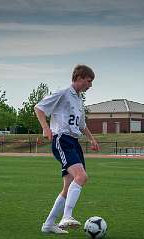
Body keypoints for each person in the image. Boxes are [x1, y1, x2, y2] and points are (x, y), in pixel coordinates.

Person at [35, 65, 99, 234]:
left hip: (74, 142)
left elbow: (82, 125)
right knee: (81, 176)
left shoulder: (79, 99)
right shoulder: (63, 92)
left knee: (69, 185)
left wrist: (92, 139)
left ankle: (48, 225)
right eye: (88, 81)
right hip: (62, 140)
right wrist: (45, 128)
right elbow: (39, 108)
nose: (90, 85)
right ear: (79, 77)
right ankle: (67, 216)